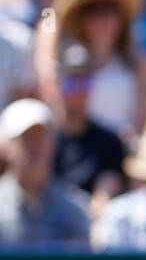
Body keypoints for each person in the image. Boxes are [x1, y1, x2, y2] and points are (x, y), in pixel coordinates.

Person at [38, 0, 146, 144]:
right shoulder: (68, 62)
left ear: (121, 19)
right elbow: (46, 30)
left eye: (110, 11)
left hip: (120, 153)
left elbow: (142, 119)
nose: (103, 20)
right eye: (94, 12)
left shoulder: (138, 65)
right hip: (80, 152)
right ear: (82, 19)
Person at [0, 97, 90, 245]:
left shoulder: (75, 209)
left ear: (53, 144)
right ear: (7, 147)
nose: (35, 147)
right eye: (26, 138)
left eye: (40, 137)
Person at [52, 43, 125, 213]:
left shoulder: (110, 142)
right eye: (71, 82)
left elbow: (103, 199)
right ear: (59, 84)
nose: (78, 91)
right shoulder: (43, 137)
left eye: (85, 82)